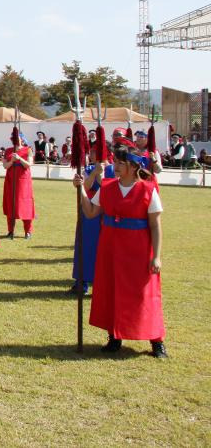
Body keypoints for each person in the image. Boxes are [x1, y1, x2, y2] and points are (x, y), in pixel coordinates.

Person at [74, 146, 167, 358]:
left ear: (134, 166)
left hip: (138, 250)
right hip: (110, 249)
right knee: (112, 292)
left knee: (144, 295)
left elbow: (155, 225)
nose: (114, 166)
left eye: (120, 163)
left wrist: (157, 256)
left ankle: (157, 341)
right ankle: (114, 337)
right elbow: (90, 213)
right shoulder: (106, 187)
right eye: (115, 161)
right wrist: (80, 189)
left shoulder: (148, 190)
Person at [71, 140, 115, 295]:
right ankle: (81, 282)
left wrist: (101, 174)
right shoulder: (89, 169)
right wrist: (95, 173)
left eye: (96, 151)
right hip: (89, 210)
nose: (92, 154)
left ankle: (103, 283)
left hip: (106, 212)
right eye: (91, 151)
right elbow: (86, 187)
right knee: (85, 245)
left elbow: (108, 189)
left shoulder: (114, 170)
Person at [2, 132, 36, 239]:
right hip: (11, 180)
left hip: (23, 181)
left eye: (17, 138)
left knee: (25, 205)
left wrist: (19, 158)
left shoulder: (28, 150)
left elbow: (29, 164)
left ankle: (28, 231)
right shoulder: (8, 151)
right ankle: (10, 231)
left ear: (22, 139)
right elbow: (5, 166)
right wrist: (12, 160)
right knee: (11, 204)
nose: (15, 140)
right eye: (13, 138)